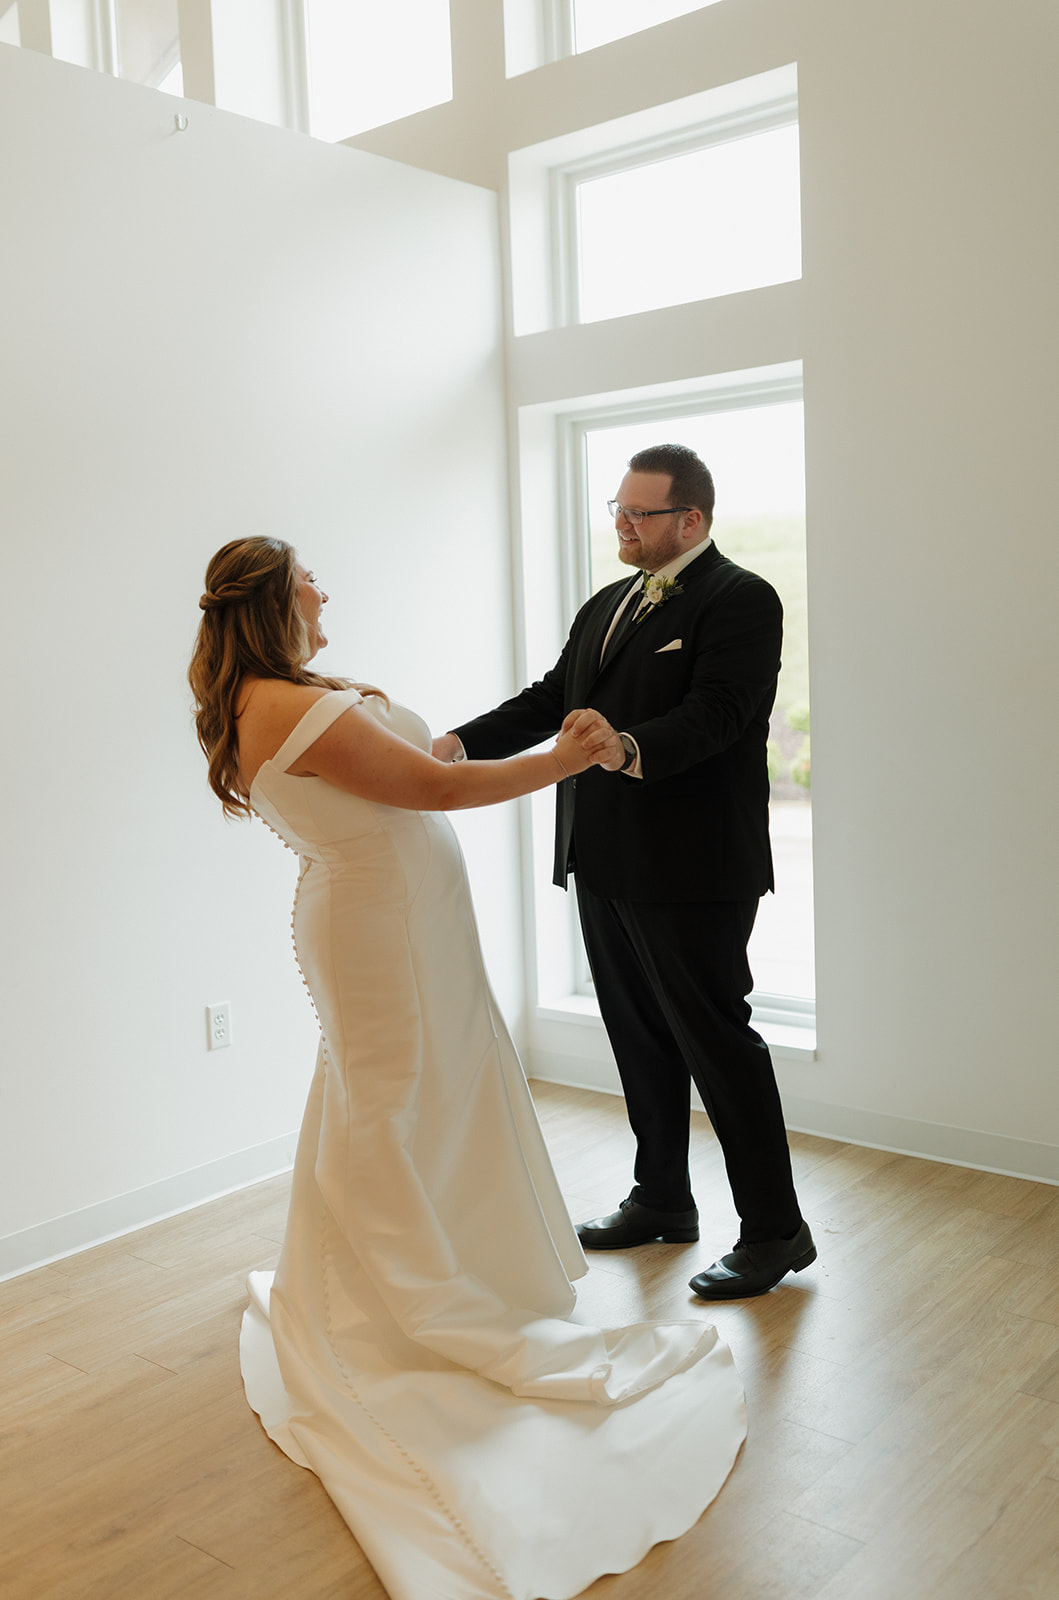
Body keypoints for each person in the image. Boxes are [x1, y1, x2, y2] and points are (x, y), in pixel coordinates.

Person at [188, 536, 745, 1600]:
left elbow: (414, 772)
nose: (323, 586)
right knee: (387, 1103)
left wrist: (498, 747)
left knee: (409, 1096)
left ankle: (441, 1266)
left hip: (403, 919)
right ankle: (407, 1302)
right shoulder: (270, 701)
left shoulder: (291, 689)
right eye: (309, 575)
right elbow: (431, 795)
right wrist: (569, 758)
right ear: (272, 596)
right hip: (377, 927)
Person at [436, 444, 815, 1301]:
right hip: (601, 858)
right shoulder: (607, 600)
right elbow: (549, 699)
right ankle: (661, 1200)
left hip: (692, 866)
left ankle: (775, 1232)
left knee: (716, 1044)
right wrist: (459, 743)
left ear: (692, 520)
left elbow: (719, 713)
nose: (621, 524)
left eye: (638, 514)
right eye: (616, 510)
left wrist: (630, 746)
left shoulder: (741, 598)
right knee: (638, 1039)